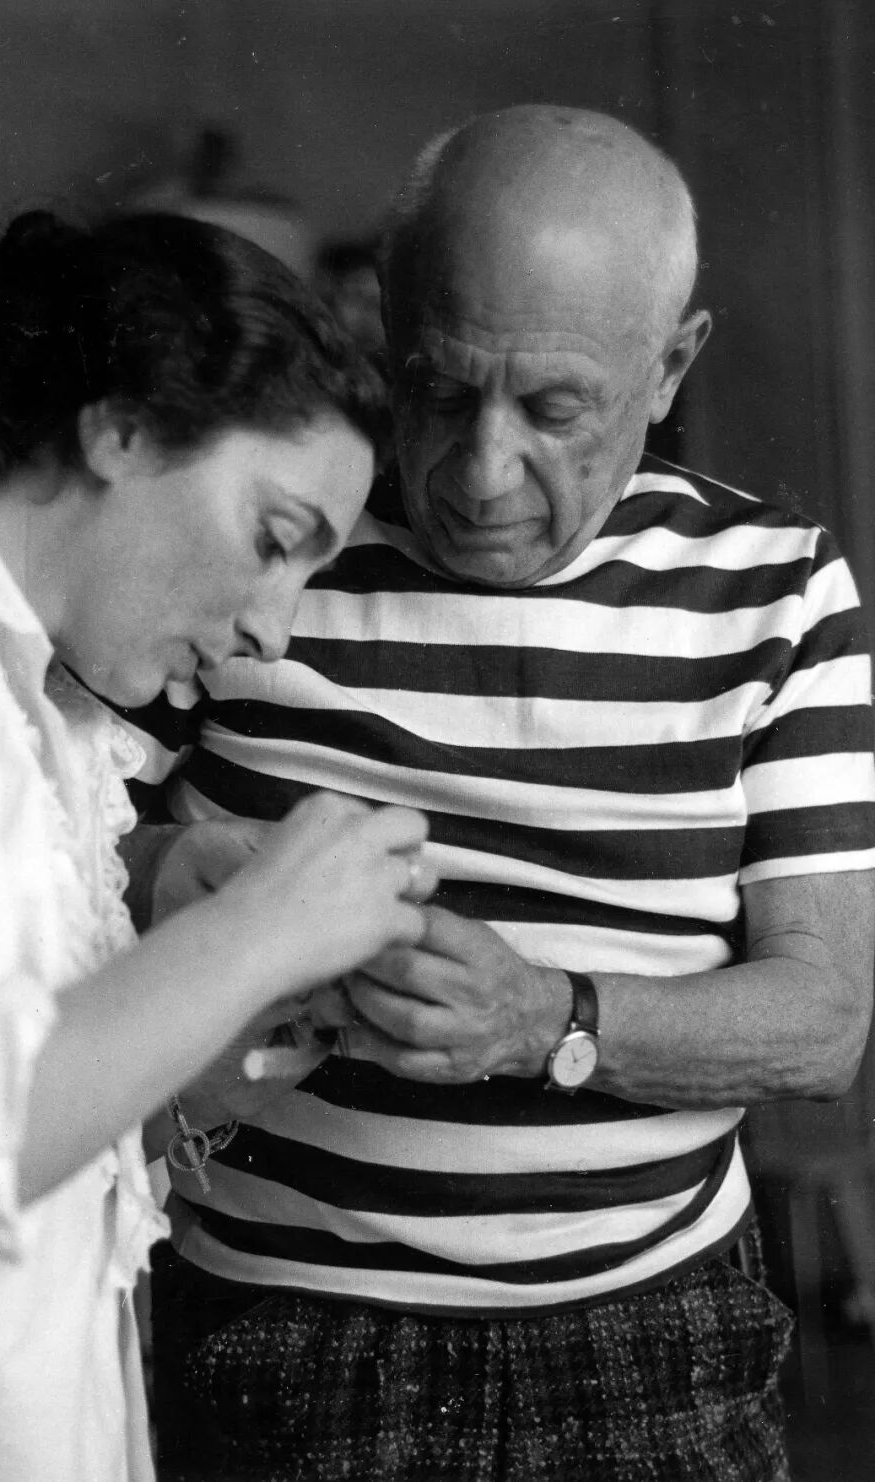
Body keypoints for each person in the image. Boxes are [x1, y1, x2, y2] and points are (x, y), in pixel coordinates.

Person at [127, 107, 875, 1481]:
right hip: (278, 1331)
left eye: (553, 411)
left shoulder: (778, 592)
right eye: (435, 386)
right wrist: (192, 885)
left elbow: (824, 1023)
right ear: (379, 319)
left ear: (671, 366)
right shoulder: (262, 539)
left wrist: (546, 1021)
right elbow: (39, 855)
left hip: (654, 1330)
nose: (480, 472)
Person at [0, 208, 439, 1482]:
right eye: (274, 541)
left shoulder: (15, 695)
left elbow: (4, 1149)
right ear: (124, 428)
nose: (272, 635)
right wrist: (253, 937)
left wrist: (203, 998)